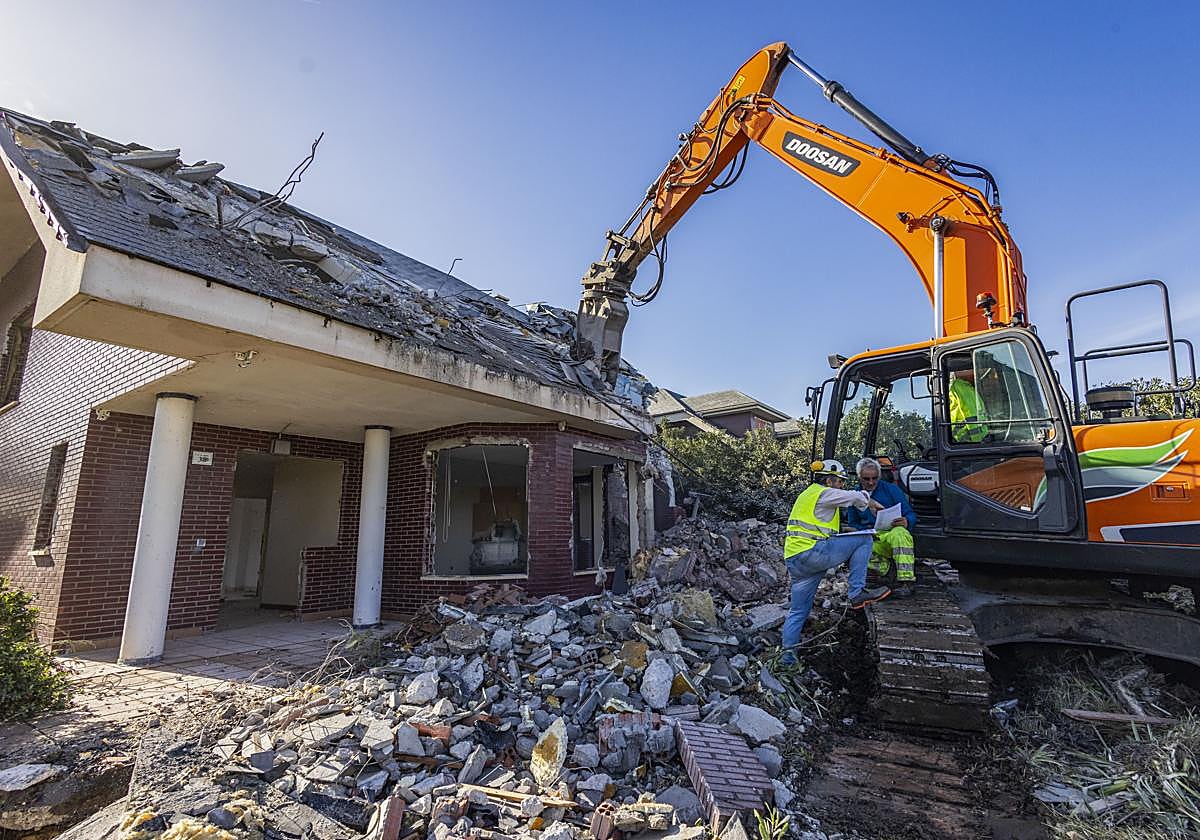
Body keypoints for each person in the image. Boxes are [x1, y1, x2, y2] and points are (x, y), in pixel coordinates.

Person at [780, 459, 892, 665]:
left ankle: (787, 657)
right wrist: (871, 502)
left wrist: (847, 532)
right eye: (840, 482)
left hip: (796, 559)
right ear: (830, 480)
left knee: (798, 611)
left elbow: (817, 529)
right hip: (812, 553)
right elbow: (854, 497)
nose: (841, 486)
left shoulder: (807, 495)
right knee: (865, 539)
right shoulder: (823, 492)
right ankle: (856, 593)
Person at [846, 457, 918, 597]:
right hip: (873, 537)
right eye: (866, 479)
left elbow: (910, 513)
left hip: (891, 533)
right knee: (851, 546)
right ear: (859, 477)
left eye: (874, 478)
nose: (871, 482)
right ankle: (889, 571)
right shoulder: (854, 496)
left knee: (900, 534)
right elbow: (853, 523)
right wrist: (862, 531)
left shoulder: (891, 490)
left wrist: (907, 521)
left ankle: (906, 581)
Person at [948, 355, 988, 443]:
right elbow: (970, 416)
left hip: (972, 440)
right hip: (968, 441)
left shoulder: (968, 387)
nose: (979, 371)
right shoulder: (961, 388)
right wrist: (979, 441)